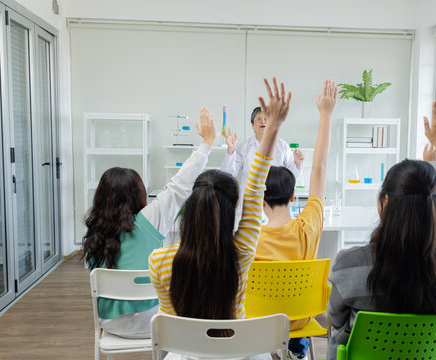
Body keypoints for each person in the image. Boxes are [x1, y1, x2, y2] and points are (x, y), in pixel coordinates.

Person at [327, 98, 436, 359]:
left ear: (383, 204)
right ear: (433, 207)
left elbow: (336, 319)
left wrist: (431, 165)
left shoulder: (349, 265)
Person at [148, 78, 290, 334]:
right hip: (234, 352)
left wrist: (207, 142)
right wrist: (274, 128)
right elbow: (257, 184)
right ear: (231, 209)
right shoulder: (242, 253)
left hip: (185, 352)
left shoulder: (159, 261)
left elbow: (169, 325)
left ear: (189, 210)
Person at [82, 106, 216, 338]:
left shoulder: (95, 231)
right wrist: (207, 143)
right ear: (140, 193)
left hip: (109, 322)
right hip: (152, 322)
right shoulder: (150, 219)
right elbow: (180, 184)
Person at [254, 79, 338, 360]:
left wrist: (272, 125)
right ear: (292, 197)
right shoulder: (309, 226)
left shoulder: (248, 237)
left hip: (259, 324)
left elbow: (254, 180)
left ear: (260, 200)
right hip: (300, 325)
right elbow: (320, 168)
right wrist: (326, 114)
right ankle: (295, 351)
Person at [221, 105, 304, 222]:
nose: (262, 121)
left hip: (276, 205)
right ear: (252, 125)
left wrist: (297, 162)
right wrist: (231, 150)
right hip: (250, 206)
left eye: (266, 119)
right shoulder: (245, 147)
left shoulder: (282, 146)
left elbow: (291, 177)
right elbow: (228, 174)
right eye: (258, 119)